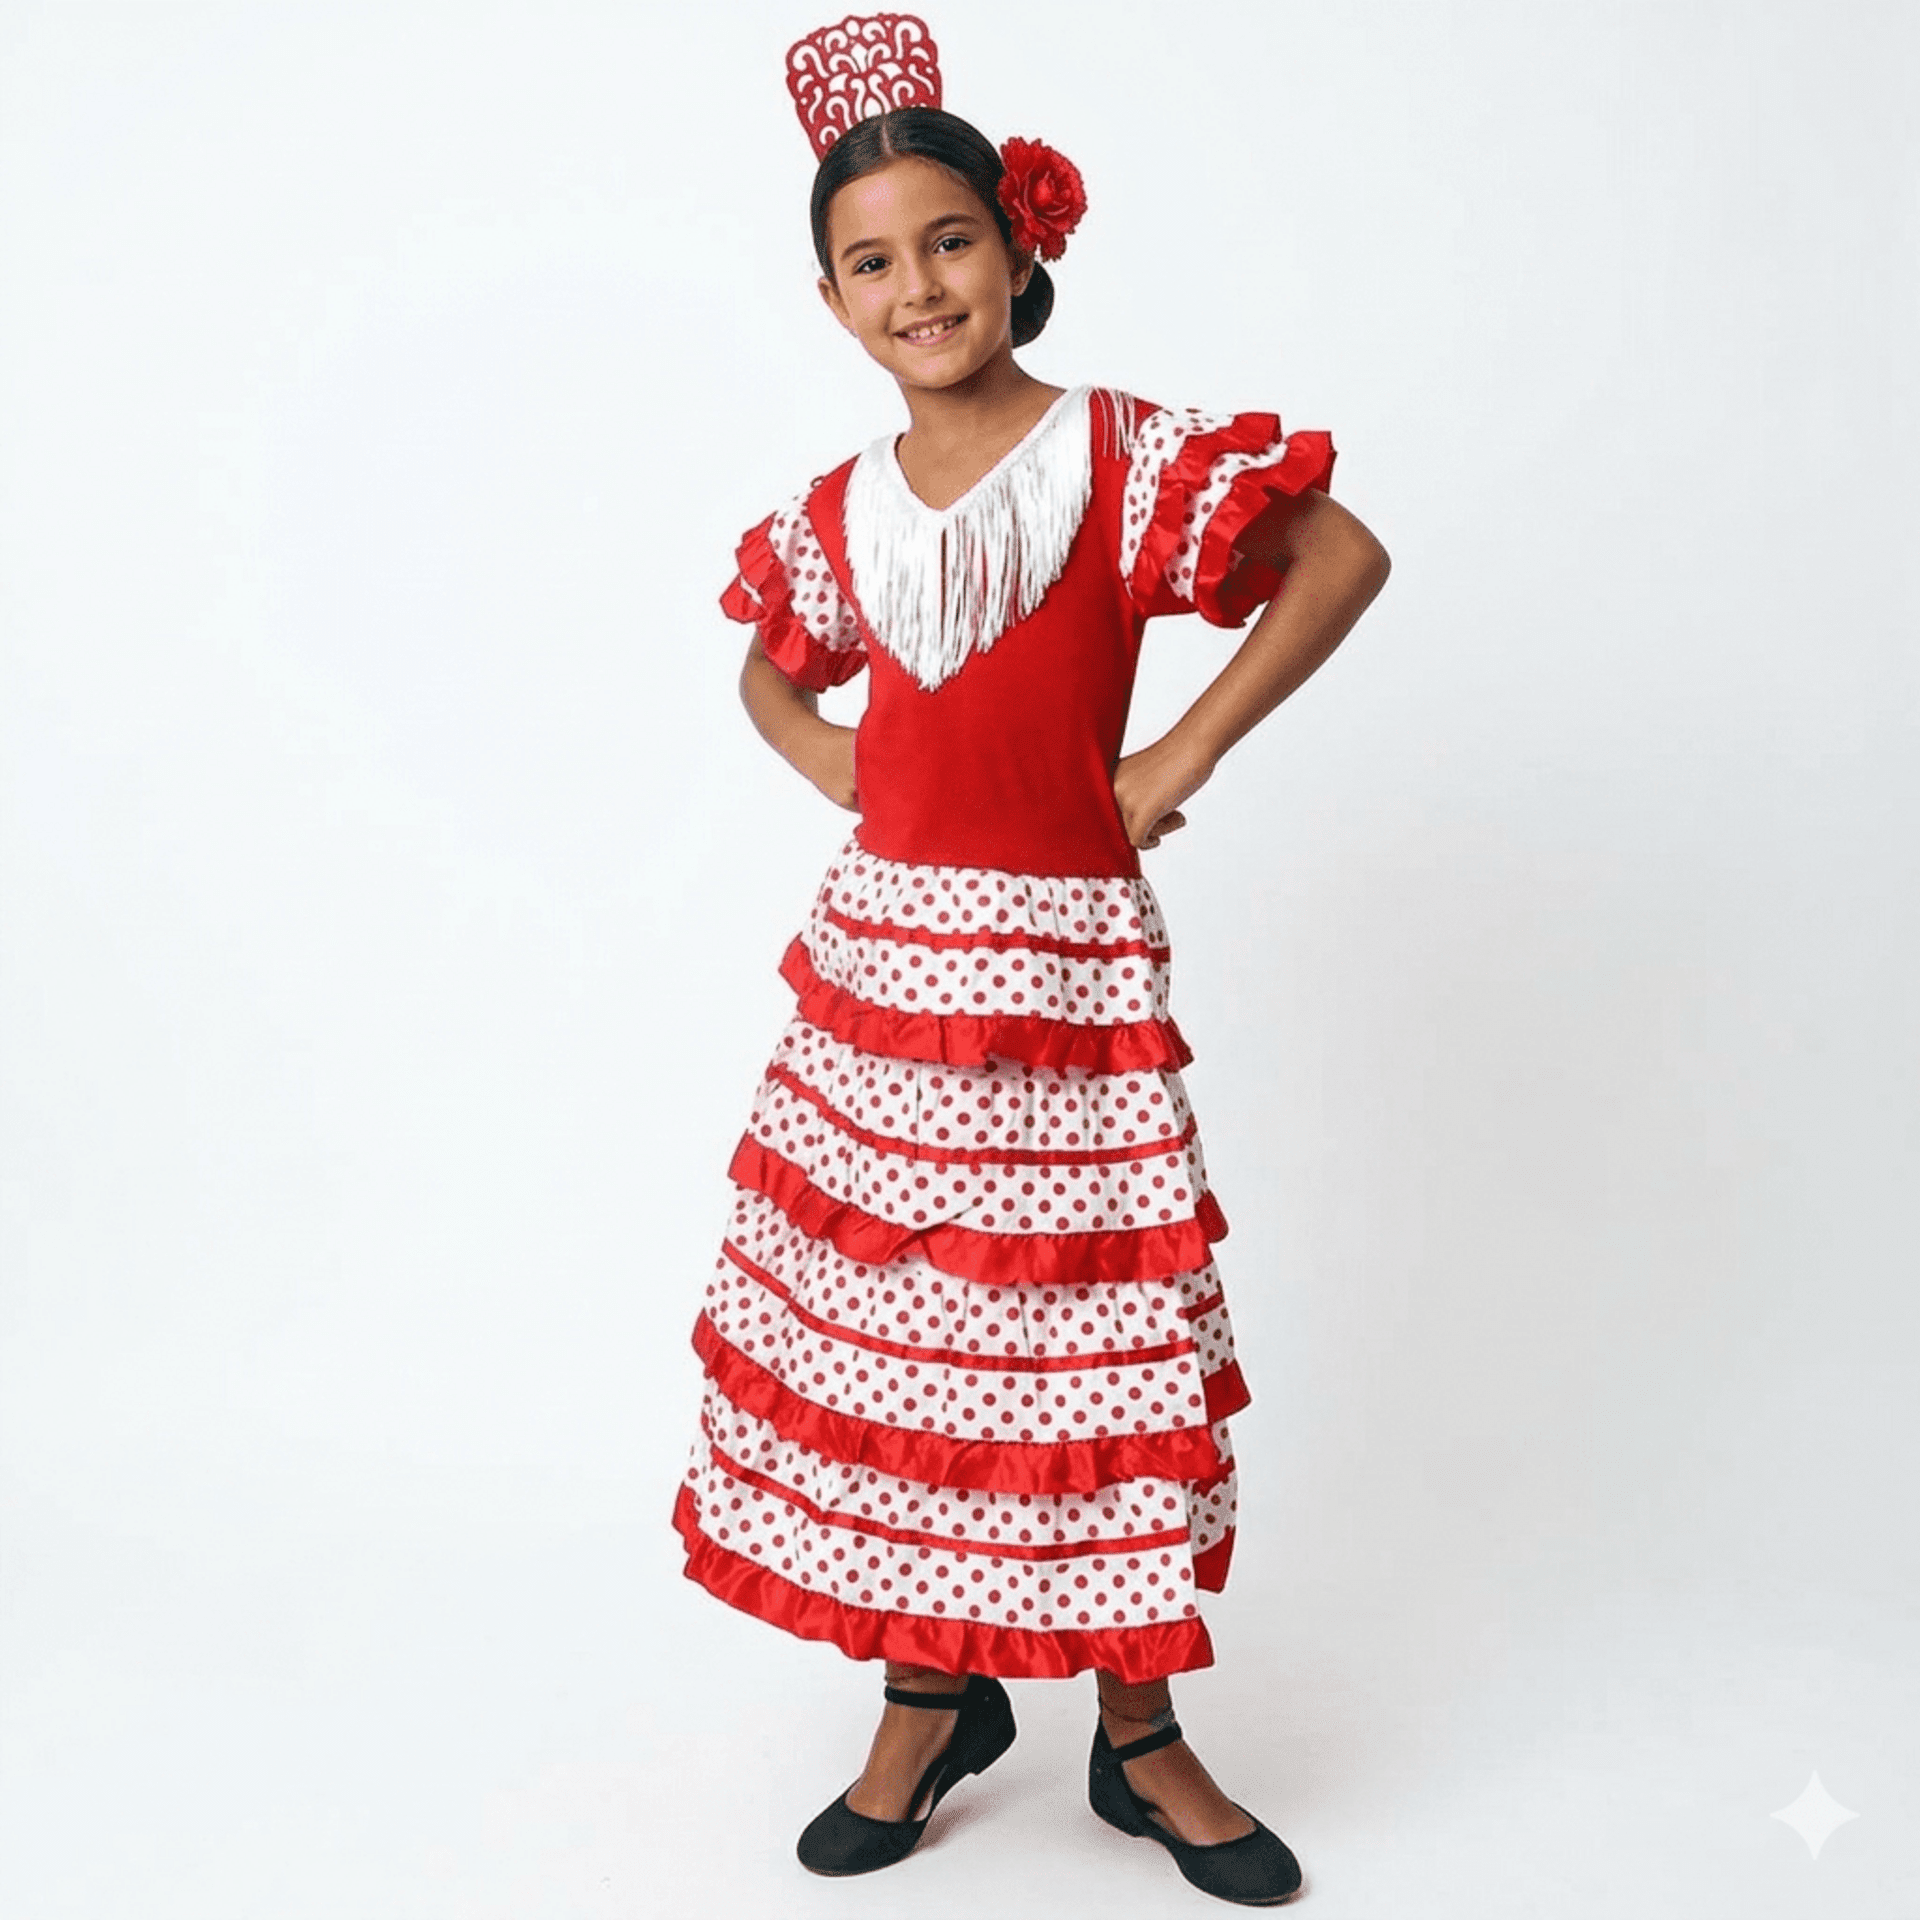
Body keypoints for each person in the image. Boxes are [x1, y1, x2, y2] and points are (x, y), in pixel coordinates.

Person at [674, 14, 1390, 1905]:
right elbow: (770, 659)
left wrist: (1178, 751)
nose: (920, 285)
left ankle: (1138, 1736)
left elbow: (1338, 556)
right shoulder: (838, 512)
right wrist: (832, 752)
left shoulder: (1120, 460)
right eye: (874, 260)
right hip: (881, 984)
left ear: (1017, 241)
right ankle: (932, 1696)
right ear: (831, 300)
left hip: (1062, 976)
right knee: (911, 1335)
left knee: (1090, 1341)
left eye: (950, 241)